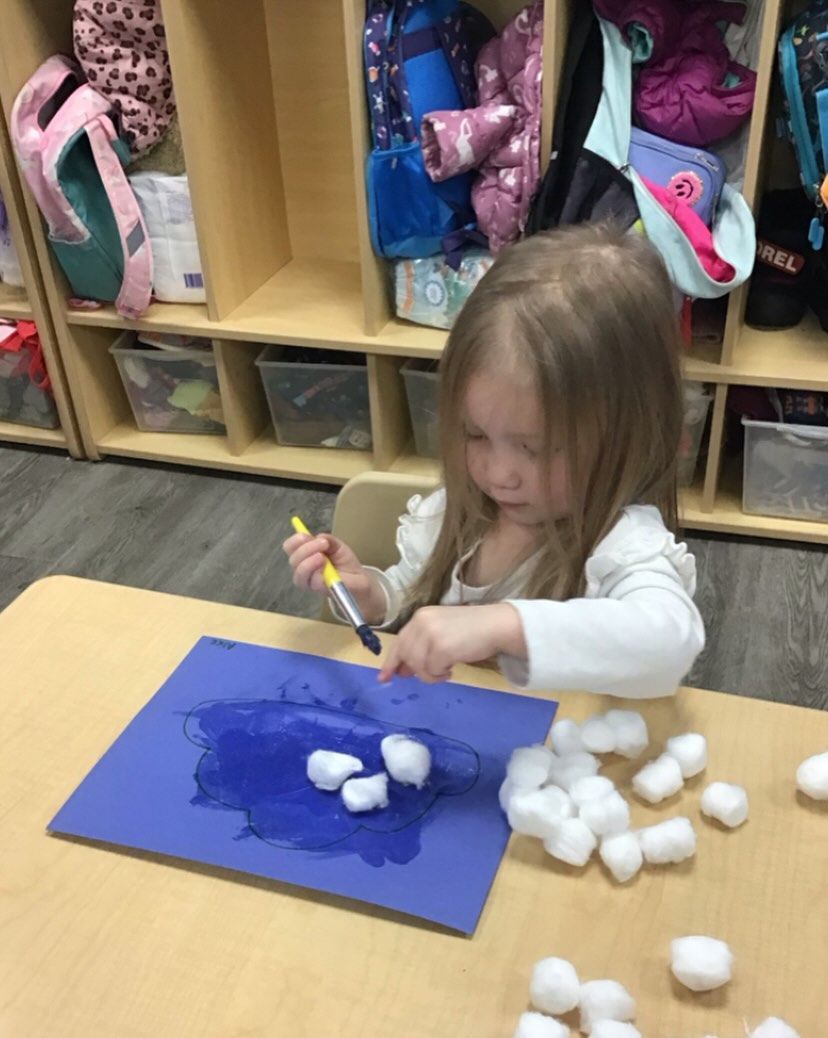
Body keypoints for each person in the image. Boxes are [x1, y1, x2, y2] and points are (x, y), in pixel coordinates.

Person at [284, 225, 704, 697]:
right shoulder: (457, 511)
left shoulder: (624, 546)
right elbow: (414, 593)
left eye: (535, 448)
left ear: (627, 434)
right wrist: (370, 594)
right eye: (474, 434)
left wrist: (506, 624)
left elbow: (670, 645)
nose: (497, 474)